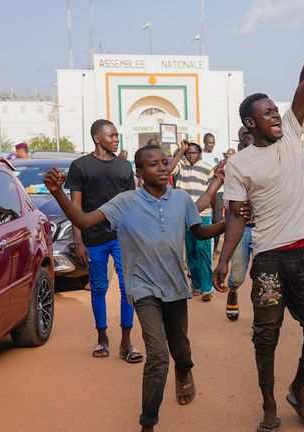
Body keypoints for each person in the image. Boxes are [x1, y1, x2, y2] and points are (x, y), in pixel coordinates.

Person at [43, 144, 230, 432]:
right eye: (154, 165)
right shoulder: (125, 202)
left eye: (165, 162)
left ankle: (185, 371)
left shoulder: (181, 199)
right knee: (157, 356)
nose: (163, 168)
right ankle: (148, 423)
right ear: (140, 173)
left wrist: (227, 224)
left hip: (177, 288)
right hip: (143, 289)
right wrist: (58, 193)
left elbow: (200, 231)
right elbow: (82, 220)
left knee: (181, 350)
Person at [214, 6, 304, 431]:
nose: (275, 116)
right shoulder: (239, 165)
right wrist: (225, 259)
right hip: (267, 262)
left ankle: (298, 388)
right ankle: (269, 406)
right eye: (267, 113)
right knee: (266, 337)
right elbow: (234, 215)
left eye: (275, 111)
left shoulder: (292, 136)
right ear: (251, 122)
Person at [65, 119, 142, 362]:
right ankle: (102, 338)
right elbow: (75, 207)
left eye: (117, 135)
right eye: (111, 135)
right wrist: (79, 242)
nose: (116, 139)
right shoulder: (80, 166)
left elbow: (131, 203)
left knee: (127, 288)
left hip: (122, 236)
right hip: (93, 237)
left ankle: (127, 342)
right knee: (98, 288)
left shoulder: (123, 166)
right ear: (97, 138)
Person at [170, 140, 219, 302]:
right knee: (190, 251)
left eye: (194, 152)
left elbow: (212, 192)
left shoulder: (207, 168)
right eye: (188, 152)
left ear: (200, 153)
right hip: (183, 215)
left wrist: (216, 215)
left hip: (203, 214)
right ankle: (196, 285)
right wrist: (179, 152)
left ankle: (207, 288)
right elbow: (169, 169)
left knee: (203, 250)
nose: (191, 154)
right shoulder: (180, 166)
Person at [225, 126, 256, 322]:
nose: (255, 137)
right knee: (237, 275)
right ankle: (233, 291)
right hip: (240, 227)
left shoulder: (266, 161)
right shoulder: (231, 164)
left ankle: (261, 316)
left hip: (264, 227)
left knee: (262, 275)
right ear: (241, 137)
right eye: (250, 134)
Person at [201, 132, 225, 255]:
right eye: (209, 142)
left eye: (213, 142)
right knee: (204, 218)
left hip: (219, 192)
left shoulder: (218, 154)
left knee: (217, 219)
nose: (211, 145)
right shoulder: (200, 155)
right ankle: (205, 246)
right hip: (205, 191)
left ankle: (215, 246)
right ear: (204, 142)